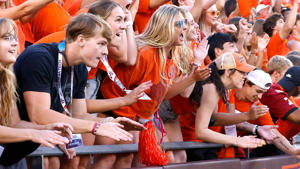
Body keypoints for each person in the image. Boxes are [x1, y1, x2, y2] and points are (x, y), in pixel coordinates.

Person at [14, 13, 145, 168]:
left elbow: (79, 114)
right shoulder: (40, 58)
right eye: (101, 44)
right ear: (81, 40)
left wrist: (108, 122)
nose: (106, 52)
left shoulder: (80, 68)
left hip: (27, 146)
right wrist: (96, 127)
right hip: (10, 142)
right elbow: (39, 115)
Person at [101, 5, 211, 168]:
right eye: (179, 24)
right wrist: (131, 116)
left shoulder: (170, 55)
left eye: (185, 25)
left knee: (142, 160)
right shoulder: (145, 53)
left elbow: (165, 94)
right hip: (117, 112)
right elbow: (113, 86)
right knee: (114, 158)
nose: (185, 28)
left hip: (141, 118)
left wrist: (193, 74)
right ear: (165, 26)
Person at [0, 18, 75, 168]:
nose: (15, 43)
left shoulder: (7, 80)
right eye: (6, 38)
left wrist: (46, 129)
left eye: (15, 38)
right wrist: (33, 134)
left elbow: (14, 124)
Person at [194, 52, 265, 147]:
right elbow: (200, 132)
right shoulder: (211, 88)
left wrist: (247, 116)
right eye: (242, 72)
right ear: (227, 71)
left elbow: (213, 119)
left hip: (194, 140)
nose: (245, 76)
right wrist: (237, 141)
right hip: (187, 139)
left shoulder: (216, 85)